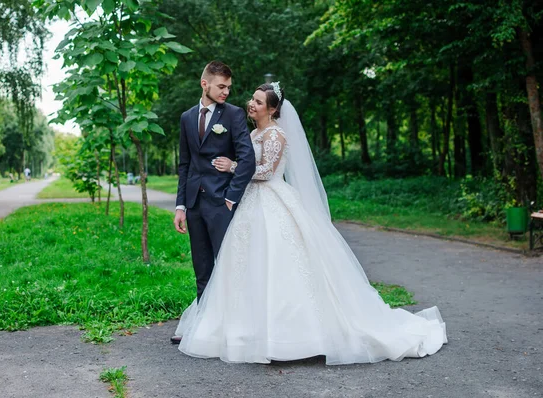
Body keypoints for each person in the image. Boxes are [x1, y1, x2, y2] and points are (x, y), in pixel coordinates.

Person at [174, 82, 447, 365]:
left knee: (281, 261)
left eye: (258, 101)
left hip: (272, 200)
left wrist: (233, 166)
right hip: (250, 203)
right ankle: (245, 328)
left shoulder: (276, 134)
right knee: (247, 263)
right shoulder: (253, 132)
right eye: (252, 99)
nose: (251, 104)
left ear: (273, 109)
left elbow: (267, 172)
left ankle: (292, 335)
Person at [171, 61, 256, 344]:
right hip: (194, 203)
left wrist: (231, 198)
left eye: (229, 87)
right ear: (204, 84)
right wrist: (181, 206)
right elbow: (185, 164)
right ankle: (204, 328)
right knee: (202, 268)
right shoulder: (186, 117)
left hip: (222, 203)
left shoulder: (233, 115)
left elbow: (248, 160)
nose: (226, 92)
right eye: (221, 86)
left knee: (229, 267)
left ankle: (233, 329)